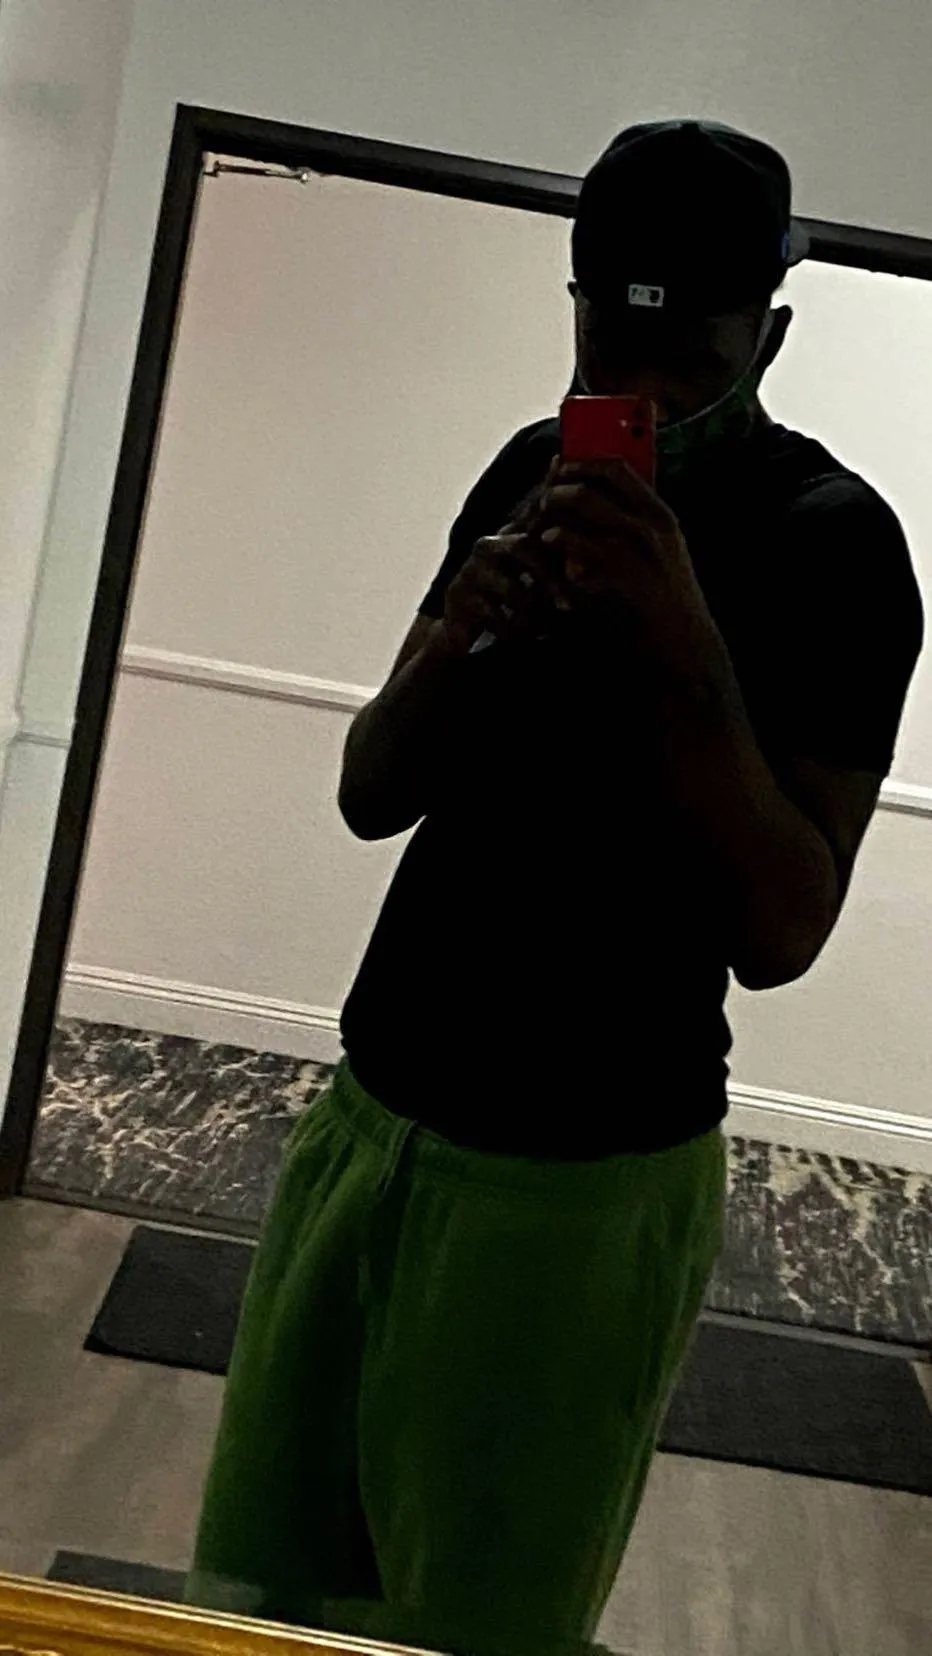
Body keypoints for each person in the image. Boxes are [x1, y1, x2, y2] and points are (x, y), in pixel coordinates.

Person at [184, 121, 924, 1656]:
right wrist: (464, 632)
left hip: (583, 1187)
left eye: (690, 359)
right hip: (370, 1118)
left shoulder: (838, 546)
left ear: (771, 336)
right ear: (578, 306)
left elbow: (785, 927)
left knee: (479, 1625)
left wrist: (686, 651)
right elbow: (370, 792)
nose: (641, 390)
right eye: (609, 342)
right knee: (252, 1591)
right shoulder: (530, 470)